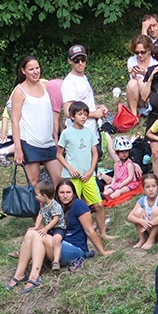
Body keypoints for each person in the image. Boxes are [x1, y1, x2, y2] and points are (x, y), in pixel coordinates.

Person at [56, 100, 106, 239]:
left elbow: (95, 153)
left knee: (99, 204)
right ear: (72, 116)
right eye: (80, 114)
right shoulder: (66, 133)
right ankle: (70, 234)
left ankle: (103, 233)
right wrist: (70, 168)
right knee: (71, 206)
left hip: (88, 176)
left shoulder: (89, 132)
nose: (83, 117)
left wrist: (91, 172)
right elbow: (59, 154)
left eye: (85, 114)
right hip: (72, 177)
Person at [10, 55, 61, 187]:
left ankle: (56, 201)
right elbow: (15, 121)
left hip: (48, 141)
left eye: (37, 68)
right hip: (30, 143)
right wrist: (18, 149)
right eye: (31, 69)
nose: (35, 72)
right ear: (23, 71)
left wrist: (55, 137)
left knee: (59, 179)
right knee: (34, 181)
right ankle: (35, 202)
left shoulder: (45, 86)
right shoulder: (19, 91)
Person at [6, 179, 62, 293]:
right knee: (30, 233)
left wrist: (45, 229)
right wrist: (36, 227)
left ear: (44, 196)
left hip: (59, 234)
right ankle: (19, 274)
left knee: (38, 235)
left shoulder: (55, 205)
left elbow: (56, 219)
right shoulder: (44, 205)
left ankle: (34, 276)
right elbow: (40, 215)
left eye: (37, 195)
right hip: (50, 236)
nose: (35, 197)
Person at [53, 177, 110, 270]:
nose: (65, 196)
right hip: (55, 246)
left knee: (40, 237)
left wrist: (102, 252)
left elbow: (89, 231)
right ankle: (30, 274)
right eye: (62, 193)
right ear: (57, 194)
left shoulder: (78, 205)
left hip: (74, 248)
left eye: (68, 192)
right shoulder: (54, 207)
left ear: (74, 193)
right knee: (33, 234)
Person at [60, 45, 108, 123]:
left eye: (83, 59)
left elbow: (84, 104)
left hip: (90, 127)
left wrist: (98, 108)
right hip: (79, 129)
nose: (80, 63)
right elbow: (68, 112)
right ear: (70, 61)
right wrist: (94, 114)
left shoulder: (83, 77)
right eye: (76, 60)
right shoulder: (69, 83)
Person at [129, 173, 158, 251]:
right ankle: (142, 239)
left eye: (153, 186)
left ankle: (151, 240)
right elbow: (129, 217)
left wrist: (148, 225)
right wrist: (140, 221)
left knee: (157, 210)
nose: (151, 189)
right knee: (138, 212)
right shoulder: (142, 200)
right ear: (143, 189)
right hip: (147, 230)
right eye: (147, 187)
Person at [101, 135, 141, 203]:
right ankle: (104, 195)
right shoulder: (116, 164)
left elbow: (130, 177)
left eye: (126, 151)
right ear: (117, 153)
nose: (124, 154)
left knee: (119, 191)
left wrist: (122, 184)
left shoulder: (129, 164)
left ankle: (110, 198)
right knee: (109, 188)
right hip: (119, 182)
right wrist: (112, 184)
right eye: (122, 152)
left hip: (128, 184)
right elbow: (115, 177)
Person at [124, 35, 156, 112]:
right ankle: (134, 113)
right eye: (137, 52)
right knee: (132, 82)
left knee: (142, 81)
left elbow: (157, 82)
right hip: (136, 97)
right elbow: (133, 85)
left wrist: (146, 74)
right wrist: (133, 75)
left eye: (143, 52)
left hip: (151, 94)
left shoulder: (155, 61)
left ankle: (151, 108)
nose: (140, 55)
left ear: (149, 50)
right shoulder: (131, 61)